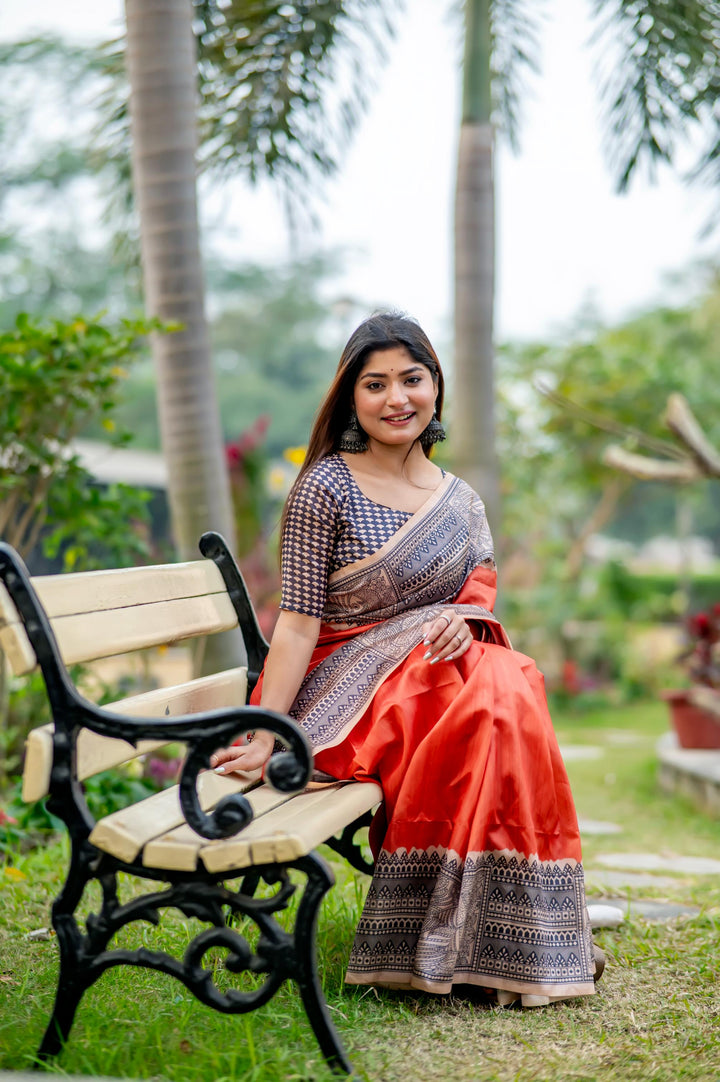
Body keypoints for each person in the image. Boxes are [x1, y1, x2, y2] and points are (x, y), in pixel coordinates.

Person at [211, 313, 599, 1005]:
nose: (397, 399)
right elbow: (298, 626)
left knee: (507, 683)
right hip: (347, 688)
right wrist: (269, 730)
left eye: (411, 380)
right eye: (376, 383)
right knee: (491, 691)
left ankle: (501, 934)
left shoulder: (462, 500)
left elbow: (477, 599)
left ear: (435, 387)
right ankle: (470, 935)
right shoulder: (325, 486)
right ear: (351, 398)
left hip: (438, 681)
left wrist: (456, 619)